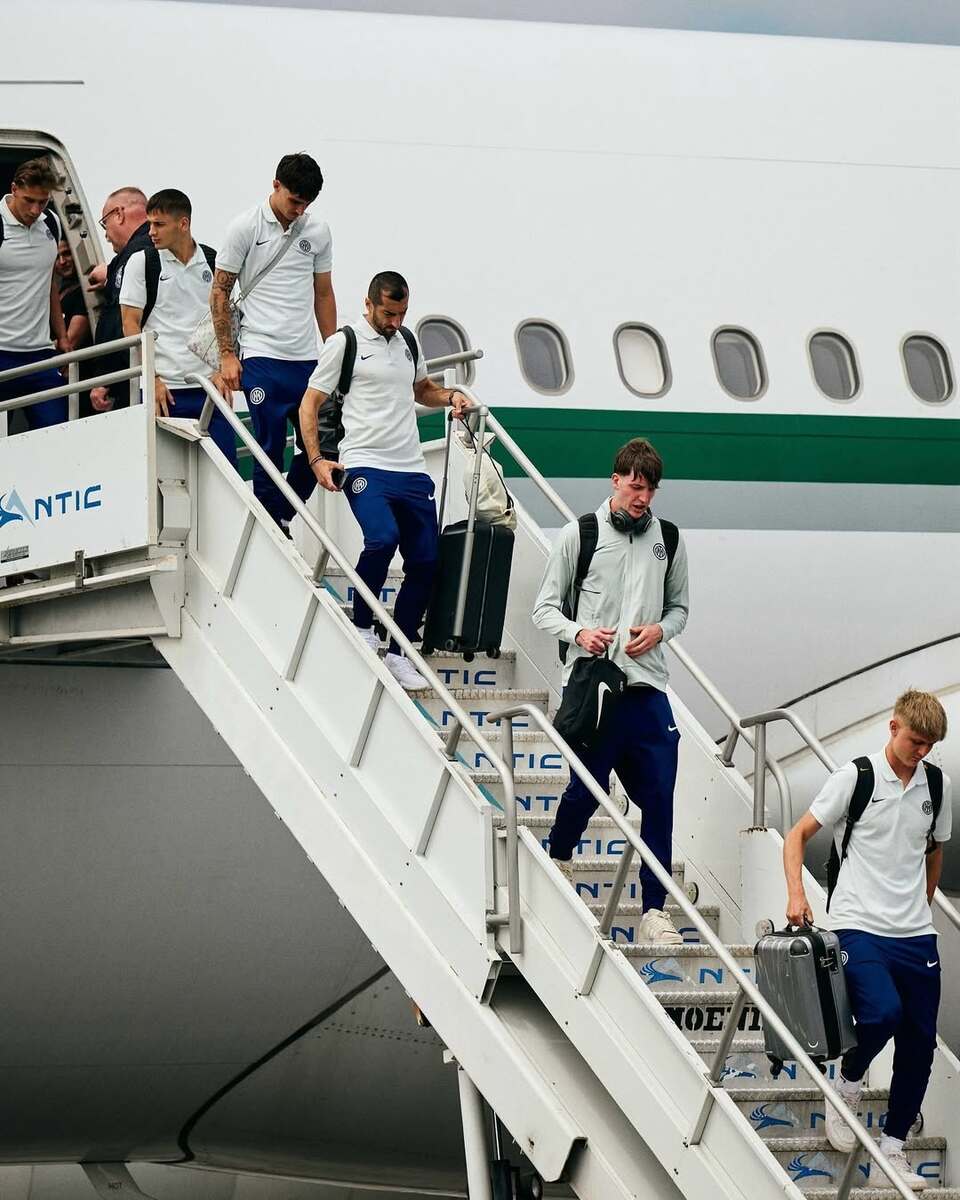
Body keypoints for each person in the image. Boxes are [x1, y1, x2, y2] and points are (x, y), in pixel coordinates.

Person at [783, 690, 951, 1192]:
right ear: (893, 727)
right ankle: (848, 1081)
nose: (922, 752)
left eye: (930, 745)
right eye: (916, 741)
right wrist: (796, 894)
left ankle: (891, 1151)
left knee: (919, 1044)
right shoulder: (855, 777)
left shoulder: (935, 784)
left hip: (915, 934)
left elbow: (934, 849)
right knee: (881, 1013)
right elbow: (797, 835)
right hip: (858, 923)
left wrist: (924, 901)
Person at [532, 438, 690, 944]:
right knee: (587, 790)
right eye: (635, 487)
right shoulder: (579, 534)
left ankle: (654, 910)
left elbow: (680, 609)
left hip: (648, 687)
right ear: (616, 480)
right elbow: (543, 609)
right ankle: (559, 857)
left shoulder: (668, 538)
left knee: (660, 798)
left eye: (651, 490)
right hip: (593, 687)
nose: (643, 498)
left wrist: (660, 630)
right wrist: (579, 633)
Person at [299, 271, 468, 690]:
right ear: (369, 304)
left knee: (426, 560)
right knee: (382, 538)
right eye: (389, 314)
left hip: (410, 467)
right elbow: (310, 403)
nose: (395, 321)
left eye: (402, 313)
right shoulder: (345, 343)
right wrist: (317, 459)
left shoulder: (407, 341)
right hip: (365, 463)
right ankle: (361, 624)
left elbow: (421, 389)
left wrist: (450, 396)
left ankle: (399, 652)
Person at [212, 152, 336, 529]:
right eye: (294, 200)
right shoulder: (244, 227)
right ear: (276, 185)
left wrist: (333, 350)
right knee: (269, 446)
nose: (299, 210)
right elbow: (220, 291)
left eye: (306, 204)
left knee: (324, 444)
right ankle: (271, 527)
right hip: (261, 354)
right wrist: (227, 354)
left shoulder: (317, 231)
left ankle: (278, 516)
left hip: (306, 358)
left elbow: (323, 293)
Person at [118, 189, 236, 467]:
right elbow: (130, 324)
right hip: (165, 391)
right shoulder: (142, 262)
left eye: (159, 224)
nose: (151, 232)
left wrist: (223, 366)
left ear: (183, 224)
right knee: (166, 478)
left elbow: (226, 318)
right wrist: (152, 379)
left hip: (210, 389)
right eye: (149, 224)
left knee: (226, 473)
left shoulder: (213, 259)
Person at [0, 156, 69, 429]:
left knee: (56, 433)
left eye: (43, 202)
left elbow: (48, 281)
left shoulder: (51, 222)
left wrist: (62, 336)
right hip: (1, 352)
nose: (35, 209)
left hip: (41, 353)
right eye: (29, 200)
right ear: (14, 189)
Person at [88, 186, 151, 414]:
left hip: (135, 376)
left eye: (105, 224)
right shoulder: (159, 247)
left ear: (119, 214)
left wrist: (105, 377)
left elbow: (119, 320)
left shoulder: (133, 257)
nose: (106, 235)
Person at [55, 240, 91, 352]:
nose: (62, 261)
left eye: (67, 253)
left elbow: (70, 341)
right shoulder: (59, 293)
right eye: (56, 257)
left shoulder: (84, 291)